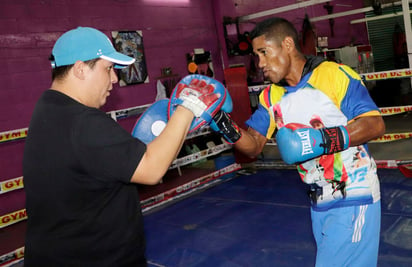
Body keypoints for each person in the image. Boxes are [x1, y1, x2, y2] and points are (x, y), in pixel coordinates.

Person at [23, 27, 219, 267]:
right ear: (80, 69)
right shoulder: (83, 121)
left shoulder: (47, 109)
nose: (115, 79)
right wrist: (189, 106)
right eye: (108, 69)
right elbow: (152, 169)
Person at [212, 17, 385, 266]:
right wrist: (223, 123)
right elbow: (253, 145)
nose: (260, 63)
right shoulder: (271, 96)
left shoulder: (333, 75)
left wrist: (322, 139)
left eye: (264, 53)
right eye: (256, 56)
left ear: (288, 44)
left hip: (353, 195)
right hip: (318, 201)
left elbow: (374, 124)